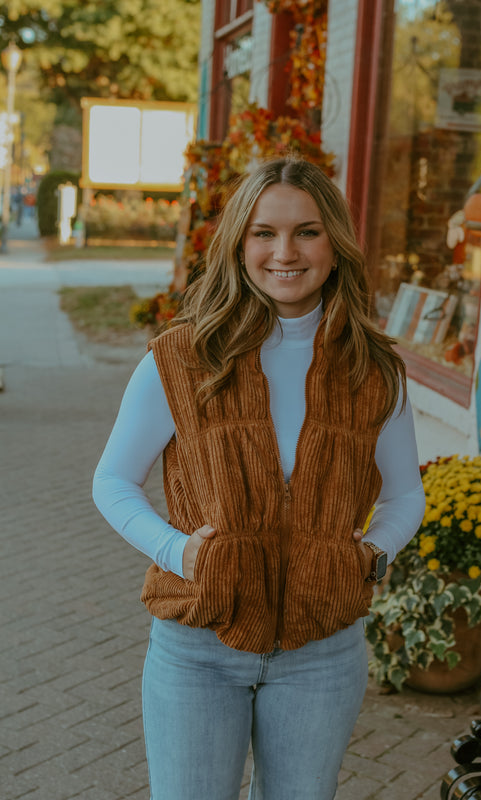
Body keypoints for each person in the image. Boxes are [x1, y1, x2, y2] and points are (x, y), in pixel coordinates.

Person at [93, 157, 426, 800]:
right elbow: (112, 482)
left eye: (306, 231)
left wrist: (371, 553)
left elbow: (405, 492)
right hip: (198, 647)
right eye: (264, 233)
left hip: (321, 653)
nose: (285, 252)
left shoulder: (374, 368)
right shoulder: (185, 356)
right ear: (239, 244)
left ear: (335, 243)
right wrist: (180, 551)